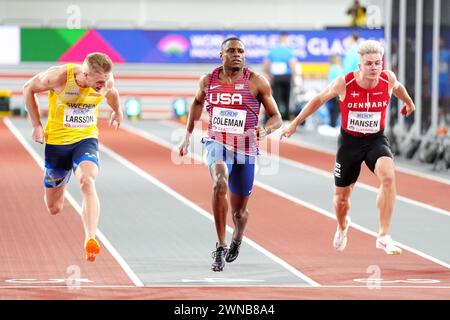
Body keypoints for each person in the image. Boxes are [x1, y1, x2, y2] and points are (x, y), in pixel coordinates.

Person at [281, 40, 415, 255]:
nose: (374, 68)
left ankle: (383, 235)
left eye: (377, 63)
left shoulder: (387, 79)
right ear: (359, 66)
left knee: (389, 177)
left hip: (375, 140)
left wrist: (409, 103)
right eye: (369, 64)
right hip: (349, 144)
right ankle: (343, 226)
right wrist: (295, 123)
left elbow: (398, 88)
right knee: (342, 200)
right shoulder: (344, 83)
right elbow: (318, 99)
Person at [179, 37, 282, 271]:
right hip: (217, 142)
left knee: (239, 212)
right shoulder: (208, 81)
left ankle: (237, 236)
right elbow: (196, 103)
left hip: (246, 148)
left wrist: (264, 130)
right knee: (219, 182)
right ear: (221, 55)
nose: (237, 54)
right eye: (232, 51)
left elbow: (277, 117)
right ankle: (221, 245)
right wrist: (187, 134)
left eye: (241, 51)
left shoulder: (257, 82)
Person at [23, 52, 123, 262]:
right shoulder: (59, 77)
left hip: (85, 139)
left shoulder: (105, 81)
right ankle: (63, 178)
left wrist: (118, 111)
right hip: (57, 145)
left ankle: (90, 238)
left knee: (87, 181)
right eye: (97, 83)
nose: (101, 86)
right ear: (85, 75)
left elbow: (112, 93)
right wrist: (36, 125)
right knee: (54, 208)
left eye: (104, 81)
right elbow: (28, 88)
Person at [263, 32, 298, 120]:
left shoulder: (272, 51)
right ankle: (285, 119)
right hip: (286, 77)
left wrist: (268, 75)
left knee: (276, 99)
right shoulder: (289, 51)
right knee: (286, 99)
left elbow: (266, 65)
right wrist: (296, 77)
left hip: (276, 77)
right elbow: (293, 65)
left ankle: (275, 118)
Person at [327, 55, 344, 127]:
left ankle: (332, 124)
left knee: (334, 109)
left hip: (332, 90)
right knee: (337, 109)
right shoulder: (338, 69)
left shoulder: (331, 69)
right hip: (337, 90)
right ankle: (334, 124)